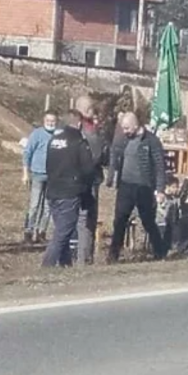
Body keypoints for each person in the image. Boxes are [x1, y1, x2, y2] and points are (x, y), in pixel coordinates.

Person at [105, 112, 168, 262]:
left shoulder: (151, 141)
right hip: (125, 186)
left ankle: (160, 252)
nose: (124, 131)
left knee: (148, 221)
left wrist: (160, 189)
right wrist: (111, 178)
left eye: (127, 128)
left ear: (136, 125)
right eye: (123, 128)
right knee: (119, 220)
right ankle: (113, 255)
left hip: (144, 187)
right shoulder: (124, 140)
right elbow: (114, 155)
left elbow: (160, 166)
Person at [41, 110, 95, 268]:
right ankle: (47, 264)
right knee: (64, 230)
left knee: (61, 229)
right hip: (69, 192)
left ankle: (65, 264)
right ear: (79, 124)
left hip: (52, 191)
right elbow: (88, 169)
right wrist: (85, 187)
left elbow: (48, 166)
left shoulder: (54, 140)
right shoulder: (79, 141)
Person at [74, 95, 105, 265]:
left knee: (82, 219)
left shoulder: (69, 128)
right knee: (86, 219)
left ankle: (83, 256)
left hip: (78, 179)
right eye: (92, 108)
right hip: (88, 179)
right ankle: (84, 258)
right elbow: (99, 154)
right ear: (86, 111)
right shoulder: (90, 131)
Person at [22, 110, 58, 244]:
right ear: (44, 121)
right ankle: (28, 231)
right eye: (48, 121)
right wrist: (25, 172)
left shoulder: (58, 135)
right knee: (34, 205)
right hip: (37, 174)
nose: (50, 123)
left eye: (53, 121)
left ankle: (41, 231)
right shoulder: (37, 134)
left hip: (53, 176)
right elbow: (27, 153)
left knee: (48, 206)